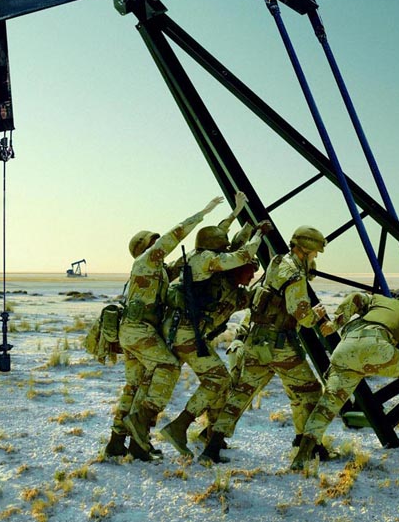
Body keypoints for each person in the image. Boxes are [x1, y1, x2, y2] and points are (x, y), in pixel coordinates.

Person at [104, 195, 223, 461]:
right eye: (154, 242)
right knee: (168, 367)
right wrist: (204, 211)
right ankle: (141, 424)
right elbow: (176, 234)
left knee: (136, 386)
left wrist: (226, 223)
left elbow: (194, 258)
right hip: (139, 330)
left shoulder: (158, 271)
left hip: (134, 332)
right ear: (145, 248)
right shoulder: (145, 262)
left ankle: (119, 443)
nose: (159, 245)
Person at [290, 286, 399, 470]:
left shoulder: (379, 300)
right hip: (376, 348)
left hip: (344, 350)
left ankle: (302, 454)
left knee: (328, 405)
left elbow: (356, 297)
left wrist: (335, 323)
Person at [199, 226, 328, 464]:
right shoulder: (295, 276)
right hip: (280, 346)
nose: (315, 257)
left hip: (256, 341)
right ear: (305, 249)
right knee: (310, 391)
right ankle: (309, 446)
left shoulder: (277, 263)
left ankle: (212, 447)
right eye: (315, 252)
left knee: (241, 394)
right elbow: (302, 317)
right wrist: (316, 315)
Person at [159, 191, 273, 457]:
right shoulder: (208, 265)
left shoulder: (229, 288)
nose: (251, 276)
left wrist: (240, 217)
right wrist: (259, 233)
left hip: (187, 333)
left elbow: (228, 241)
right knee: (218, 378)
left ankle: (210, 435)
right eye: (250, 271)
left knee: (220, 385)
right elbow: (239, 253)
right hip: (185, 333)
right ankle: (179, 427)